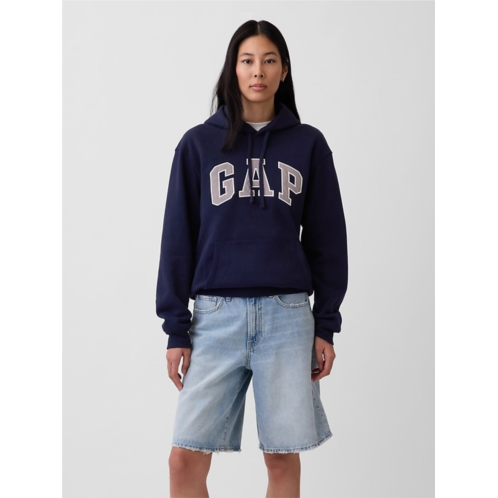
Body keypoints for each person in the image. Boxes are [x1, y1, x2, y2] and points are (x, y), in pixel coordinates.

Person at [156, 19, 348, 498]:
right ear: (233, 69)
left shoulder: (308, 144)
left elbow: (328, 240)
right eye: (247, 61)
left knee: (281, 457)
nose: (257, 71)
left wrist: (326, 323)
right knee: (184, 459)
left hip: (287, 317)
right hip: (214, 318)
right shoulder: (198, 144)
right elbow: (178, 239)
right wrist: (176, 328)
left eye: (268, 60)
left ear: (284, 70)